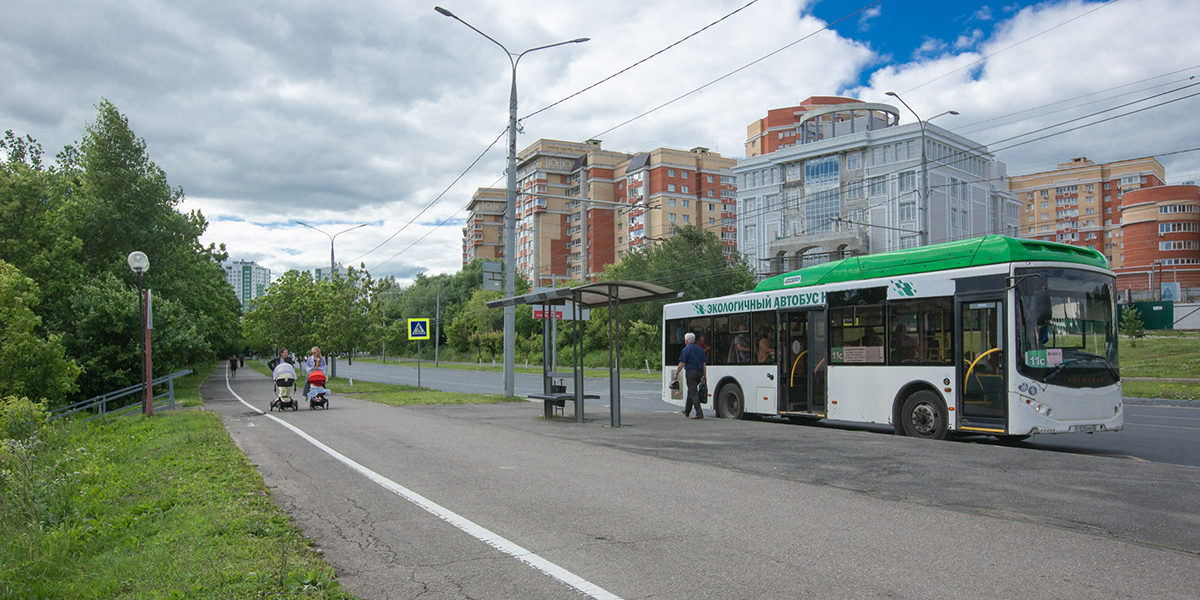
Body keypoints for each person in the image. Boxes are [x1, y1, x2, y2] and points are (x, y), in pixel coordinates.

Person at [673, 332, 708, 419]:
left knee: (693, 392)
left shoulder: (686, 349)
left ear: (686, 341)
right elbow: (704, 364)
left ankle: (699, 412)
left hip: (691, 372)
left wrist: (676, 373)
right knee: (691, 390)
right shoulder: (700, 349)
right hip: (699, 372)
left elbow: (682, 363)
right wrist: (704, 375)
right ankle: (687, 411)